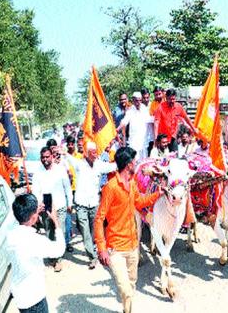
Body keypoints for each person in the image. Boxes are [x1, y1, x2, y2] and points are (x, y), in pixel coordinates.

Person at [94, 147, 162, 313]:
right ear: (128, 164)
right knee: (125, 289)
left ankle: (127, 310)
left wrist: (157, 194)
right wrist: (101, 248)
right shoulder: (110, 187)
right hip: (115, 248)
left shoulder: (132, 183)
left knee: (131, 285)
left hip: (133, 247)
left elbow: (139, 203)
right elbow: (99, 218)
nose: (137, 163)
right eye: (135, 161)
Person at [7, 193, 65, 312]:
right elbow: (59, 249)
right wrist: (56, 221)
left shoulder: (11, 235)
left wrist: (33, 213)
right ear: (33, 217)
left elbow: (24, 222)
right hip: (34, 299)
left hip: (20, 295)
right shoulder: (34, 241)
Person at [65, 141, 117, 269]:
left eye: (96, 152)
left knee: (95, 230)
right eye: (92, 153)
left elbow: (113, 167)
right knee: (85, 231)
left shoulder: (99, 165)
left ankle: (97, 248)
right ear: (86, 154)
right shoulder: (78, 164)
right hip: (81, 204)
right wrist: (63, 152)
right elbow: (69, 157)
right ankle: (92, 257)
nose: (95, 155)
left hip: (94, 204)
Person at [32, 147, 72, 272]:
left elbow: (67, 187)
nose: (45, 159)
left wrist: (70, 203)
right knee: (49, 232)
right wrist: (39, 205)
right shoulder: (37, 172)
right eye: (43, 157)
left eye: (47, 157)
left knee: (61, 231)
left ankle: (58, 260)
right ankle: (52, 256)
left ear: (52, 157)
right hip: (46, 208)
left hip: (60, 206)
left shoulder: (60, 170)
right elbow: (35, 190)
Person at [118, 91, 153, 160]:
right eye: (136, 100)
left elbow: (150, 120)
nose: (138, 102)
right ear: (133, 101)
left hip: (143, 140)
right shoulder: (130, 110)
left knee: (144, 160)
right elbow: (124, 121)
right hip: (134, 141)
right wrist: (118, 128)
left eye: (140, 100)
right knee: (135, 160)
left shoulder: (145, 109)